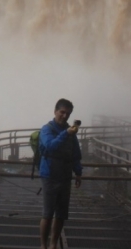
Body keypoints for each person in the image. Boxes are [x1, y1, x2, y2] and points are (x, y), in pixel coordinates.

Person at [39, 98, 83, 249]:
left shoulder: (71, 132)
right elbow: (50, 147)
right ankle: (43, 245)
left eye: (68, 114)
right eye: (62, 112)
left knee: (61, 214)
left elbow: (75, 154)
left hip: (65, 176)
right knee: (48, 213)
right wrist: (66, 133)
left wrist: (78, 173)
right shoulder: (47, 129)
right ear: (55, 111)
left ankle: (53, 245)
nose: (64, 116)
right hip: (49, 176)